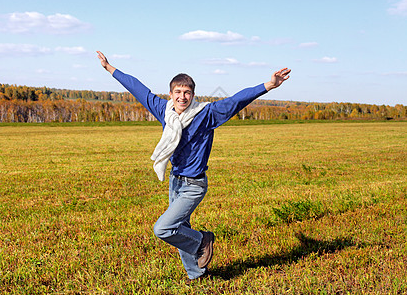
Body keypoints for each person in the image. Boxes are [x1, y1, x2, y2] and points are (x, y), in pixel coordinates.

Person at [97, 50, 291, 280]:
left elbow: (237, 100)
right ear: (170, 94)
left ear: (193, 95)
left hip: (194, 184)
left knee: (163, 229)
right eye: (177, 92)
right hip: (175, 181)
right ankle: (197, 275)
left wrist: (269, 84)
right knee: (181, 229)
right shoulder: (164, 111)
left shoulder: (207, 113)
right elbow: (138, 89)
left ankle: (203, 240)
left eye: (187, 92)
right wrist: (110, 69)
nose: (182, 97)